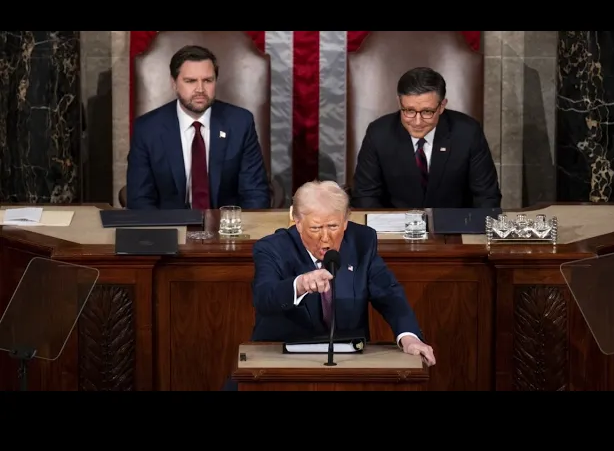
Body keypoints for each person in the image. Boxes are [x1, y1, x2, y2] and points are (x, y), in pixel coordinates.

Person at [251, 180, 435, 362]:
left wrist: (409, 337)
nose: (325, 238)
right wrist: (298, 285)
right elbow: (264, 296)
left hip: (347, 359)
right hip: (283, 358)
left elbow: (388, 293)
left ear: (345, 221)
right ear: (298, 222)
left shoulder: (361, 242)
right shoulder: (272, 248)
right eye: (315, 228)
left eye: (333, 226)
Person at [126, 44, 271, 210]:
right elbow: (140, 199)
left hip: (226, 224)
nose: (200, 89)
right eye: (190, 81)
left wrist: (241, 225)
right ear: (174, 83)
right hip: (169, 224)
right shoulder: (147, 129)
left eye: (208, 80)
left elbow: (255, 193)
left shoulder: (240, 123)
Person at [351, 66, 501, 209]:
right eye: (409, 111)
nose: (417, 122)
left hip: (454, 224)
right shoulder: (378, 134)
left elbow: (486, 197)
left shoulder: (468, 132)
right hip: (394, 224)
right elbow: (365, 195)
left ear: (442, 106)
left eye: (427, 112)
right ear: (399, 102)